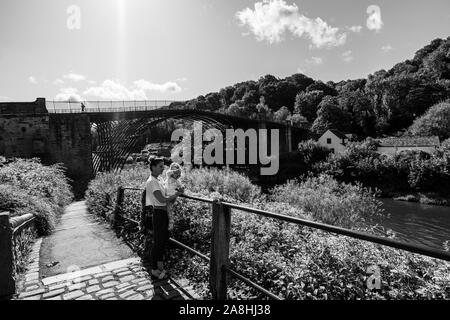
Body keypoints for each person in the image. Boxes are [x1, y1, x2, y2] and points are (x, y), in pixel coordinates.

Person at [142, 156, 183, 280]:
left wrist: (176, 190)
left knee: (162, 241)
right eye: (160, 166)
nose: (163, 168)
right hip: (158, 214)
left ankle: (160, 267)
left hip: (163, 214)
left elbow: (167, 194)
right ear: (153, 167)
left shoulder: (158, 180)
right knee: (158, 242)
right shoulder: (152, 181)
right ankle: (154, 270)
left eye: (163, 166)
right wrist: (177, 194)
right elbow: (162, 199)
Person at [164, 162, 183, 231]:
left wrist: (181, 189)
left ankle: (170, 225)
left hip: (171, 198)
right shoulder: (169, 177)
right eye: (173, 171)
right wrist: (175, 170)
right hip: (165, 196)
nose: (175, 173)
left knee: (169, 211)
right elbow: (167, 172)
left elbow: (181, 188)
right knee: (165, 210)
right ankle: (165, 224)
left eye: (177, 172)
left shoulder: (177, 181)